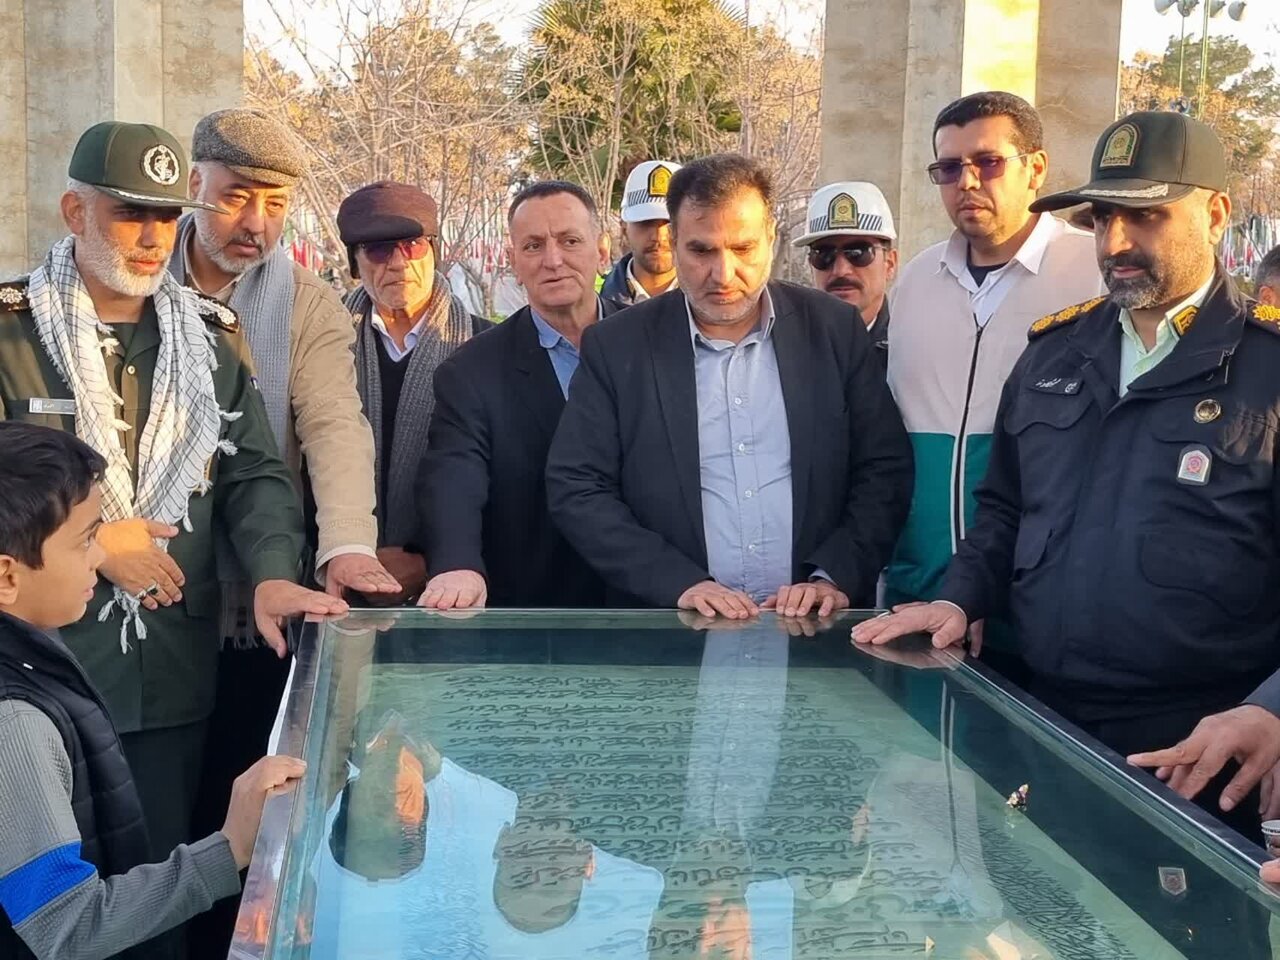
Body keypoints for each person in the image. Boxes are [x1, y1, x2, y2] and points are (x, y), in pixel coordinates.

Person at [854, 111, 1280, 837]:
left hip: (1201, 750)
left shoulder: (1267, 369)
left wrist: (1271, 710)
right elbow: (1006, 510)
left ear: (1214, 214)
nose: (1114, 243)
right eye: (1103, 217)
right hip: (1043, 723)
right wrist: (959, 598)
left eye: (1144, 216)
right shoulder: (1054, 354)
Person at [0, 121, 343, 956]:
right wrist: (99, 543)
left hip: (169, 673)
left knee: (161, 900)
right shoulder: (11, 331)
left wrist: (271, 573)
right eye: (129, 214)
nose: (154, 237)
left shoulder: (209, 338)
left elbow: (254, 473)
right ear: (75, 212)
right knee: (42, 906)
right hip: (38, 674)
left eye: (166, 216)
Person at [168, 111, 396, 957]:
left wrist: (347, 546)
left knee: (240, 804)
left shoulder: (304, 302)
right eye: (235, 197)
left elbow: (333, 426)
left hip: (253, 606)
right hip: (139, 606)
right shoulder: (137, 278)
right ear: (195, 185)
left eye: (274, 203)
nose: (254, 223)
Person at [546, 154, 913, 616]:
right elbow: (577, 485)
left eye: (742, 248)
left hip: (814, 631)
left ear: (771, 239)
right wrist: (677, 583)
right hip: (672, 630)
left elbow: (883, 467)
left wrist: (835, 575)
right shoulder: (618, 346)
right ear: (673, 242)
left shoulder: (834, 331)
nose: (723, 274)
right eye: (701, 251)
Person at [0, 422, 308, 960]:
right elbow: (65, 926)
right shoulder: (16, 723)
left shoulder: (33, 657)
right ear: (7, 577)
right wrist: (231, 845)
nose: (98, 557)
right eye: (85, 540)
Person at [884, 92, 1100, 673]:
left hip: (1038, 607)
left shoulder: (1094, 274)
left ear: (1036, 168)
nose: (968, 181)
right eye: (949, 168)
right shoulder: (917, 279)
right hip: (919, 594)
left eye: (988, 161)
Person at [417, 182, 619, 610]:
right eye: (533, 246)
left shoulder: (654, 347)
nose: (553, 260)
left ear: (602, 250)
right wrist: (457, 564)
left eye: (570, 241)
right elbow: (453, 476)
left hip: (656, 605)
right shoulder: (470, 372)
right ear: (513, 262)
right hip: (536, 612)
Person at [336, 181, 492, 606]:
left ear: (433, 250)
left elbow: (505, 480)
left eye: (412, 245)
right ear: (355, 263)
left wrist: (428, 559)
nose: (399, 262)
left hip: (451, 590)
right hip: (339, 584)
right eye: (378, 250)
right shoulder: (326, 349)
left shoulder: (485, 347)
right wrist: (346, 553)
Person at [793, 181, 897, 353]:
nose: (840, 270)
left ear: (890, 264)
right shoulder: (788, 347)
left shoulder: (911, 349)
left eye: (858, 253)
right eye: (824, 254)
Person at [600, 160, 682, 305]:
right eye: (646, 223)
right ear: (624, 227)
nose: (659, 236)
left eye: (670, 223)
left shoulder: (713, 303)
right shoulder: (594, 306)